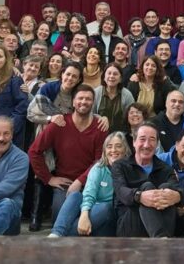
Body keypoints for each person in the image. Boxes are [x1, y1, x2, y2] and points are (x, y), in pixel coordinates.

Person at [28, 85, 107, 226]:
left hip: (91, 183)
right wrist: (48, 178)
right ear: (73, 102)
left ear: (93, 103)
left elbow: (99, 160)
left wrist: (80, 181)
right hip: (64, 184)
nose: (84, 102)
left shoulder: (100, 127)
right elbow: (34, 151)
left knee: (96, 218)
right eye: (80, 98)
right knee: (59, 219)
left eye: (88, 99)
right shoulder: (60, 124)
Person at [48, 131, 131, 237]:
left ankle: (62, 235)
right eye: (109, 147)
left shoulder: (130, 169)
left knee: (106, 207)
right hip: (93, 214)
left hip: (110, 219)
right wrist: (84, 215)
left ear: (125, 150)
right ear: (105, 151)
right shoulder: (99, 168)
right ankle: (56, 234)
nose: (113, 150)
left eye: (118, 146)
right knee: (75, 195)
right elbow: (88, 194)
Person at [111, 123, 184, 237]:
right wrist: (140, 196)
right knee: (147, 186)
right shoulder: (120, 166)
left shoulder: (165, 168)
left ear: (157, 144)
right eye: (142, 139)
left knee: (167, 188)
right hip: (130, 225)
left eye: (152, 140)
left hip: (161, 223)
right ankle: (161, 239)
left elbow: (179, 190)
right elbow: (121, 190)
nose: (146, 145)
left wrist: (177, 196)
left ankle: (162, 238)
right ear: (134, 142)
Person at [93, 62, 135, 133]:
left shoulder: (127, 95)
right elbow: (89, 115)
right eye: (109, 73)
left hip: (121, 134)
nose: (111, 76)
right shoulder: (96, 93)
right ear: (104, 77)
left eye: (115, 74)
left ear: (120, 78)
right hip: (98, 133)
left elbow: (132, 116)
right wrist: (99, 118)